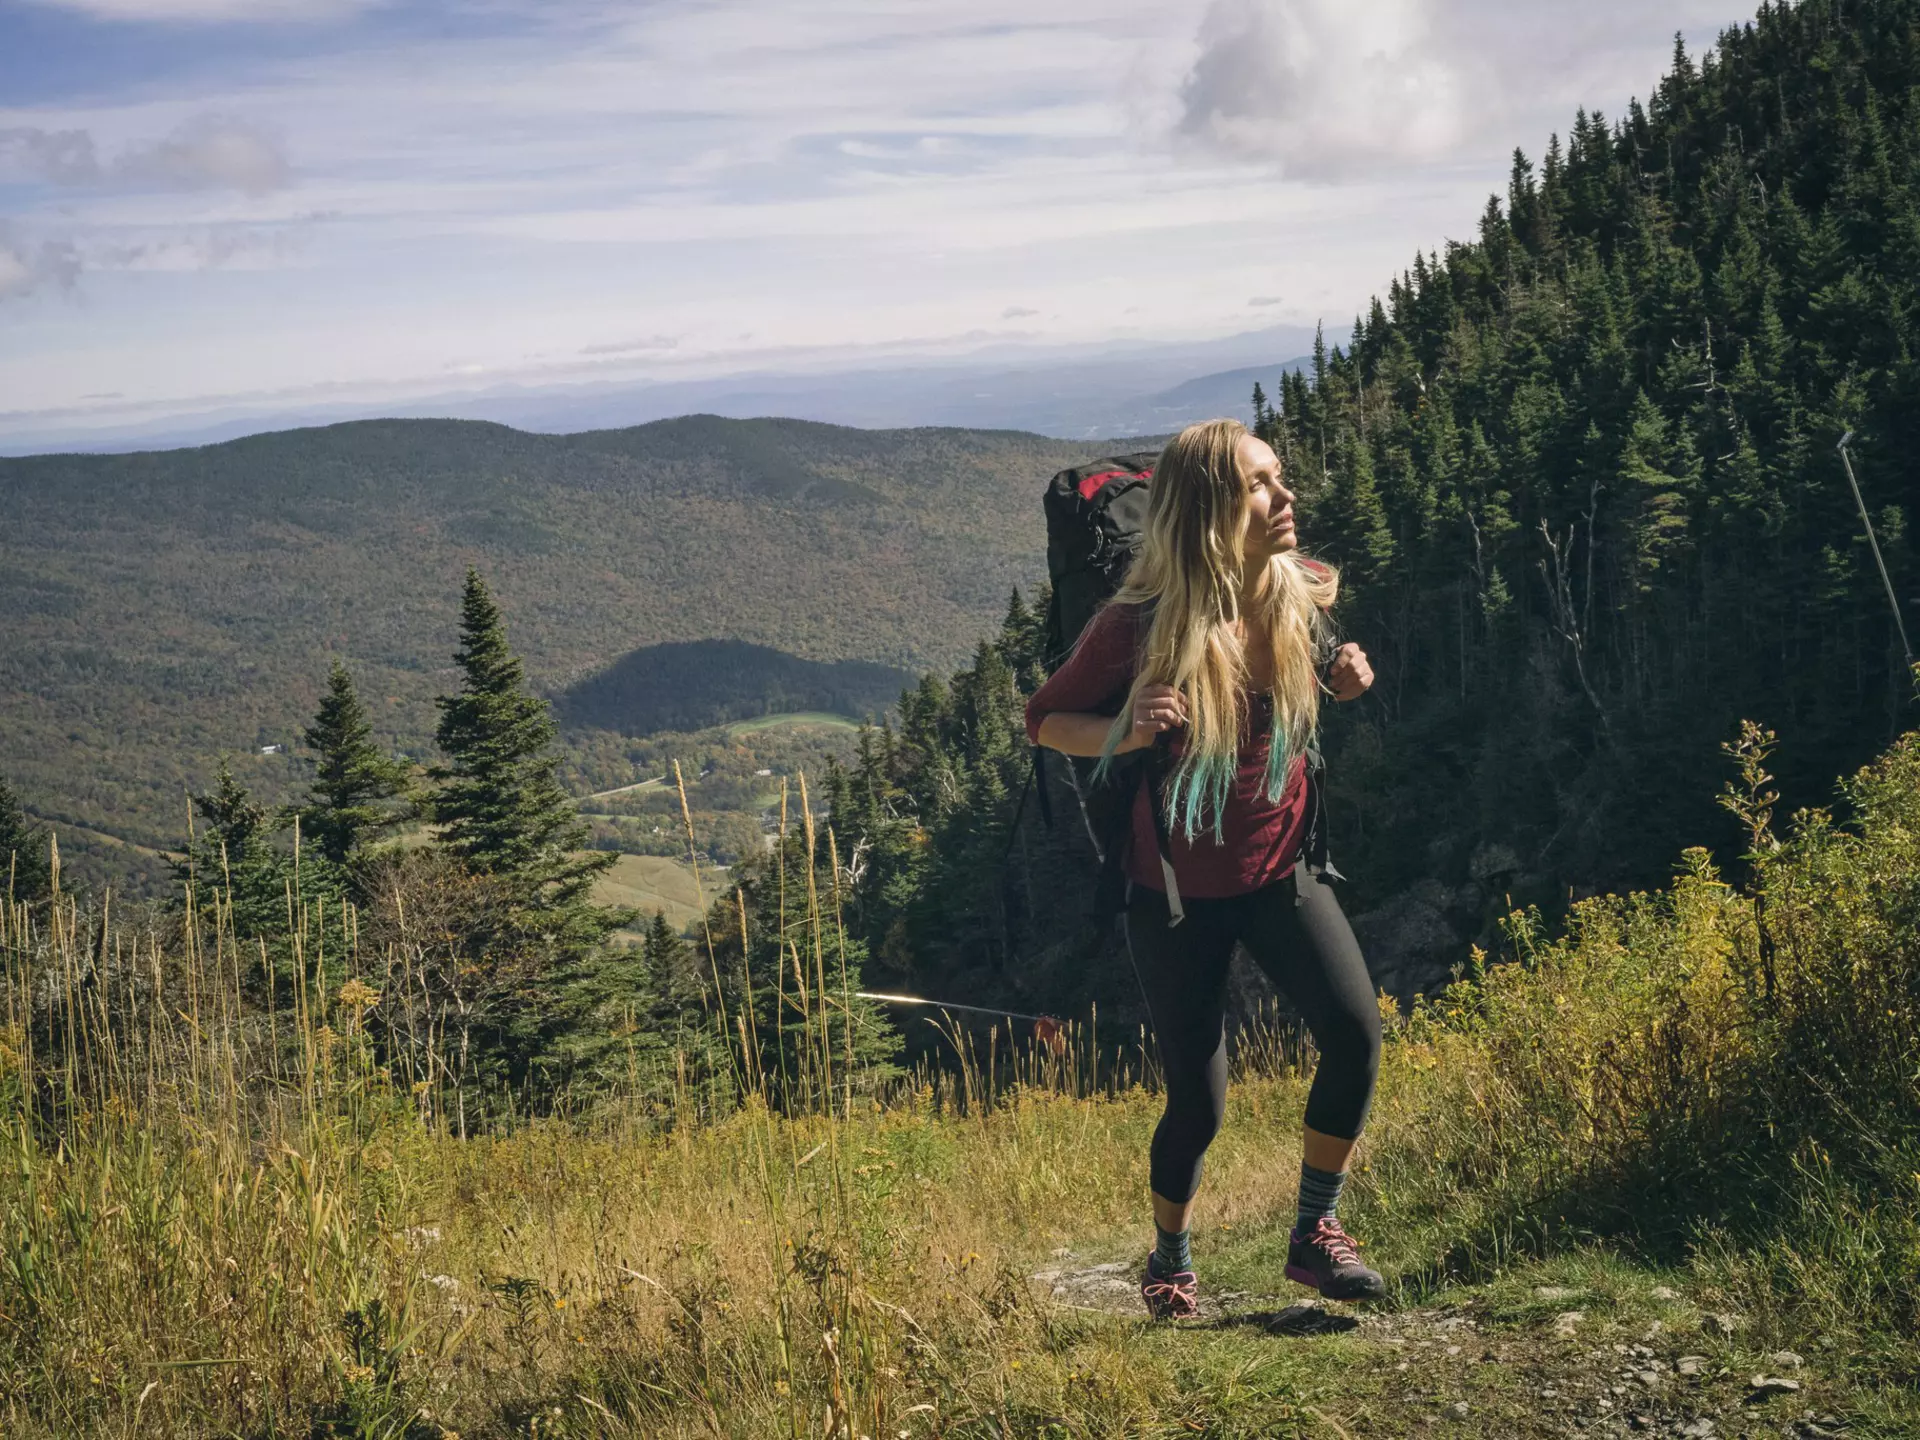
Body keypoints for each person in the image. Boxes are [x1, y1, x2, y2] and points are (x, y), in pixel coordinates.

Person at [1025, 417, 1382, 1320]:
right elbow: (1044, 721)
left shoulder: (1300, 590)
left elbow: (1316, 671)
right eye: (1260, 485)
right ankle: (1171, 1255)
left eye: (1280, 477)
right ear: (1209, 511)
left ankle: (1315, 1235)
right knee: (1198, 1104)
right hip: (1176, 897)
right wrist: (1127, 731)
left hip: (1280, 869)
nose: (1285, 496)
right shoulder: (1137, 627)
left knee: (1354, 1034)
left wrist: (1341, 678)